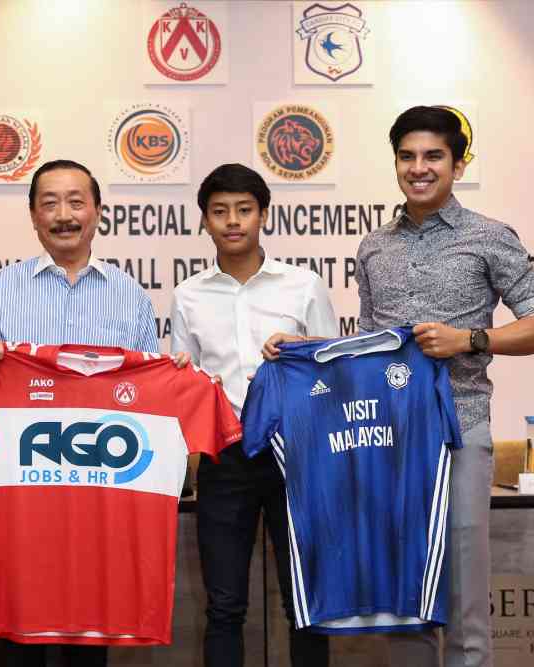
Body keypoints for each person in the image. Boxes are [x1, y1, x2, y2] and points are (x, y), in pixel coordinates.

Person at [265, 105, 534, 666]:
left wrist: (469, 340)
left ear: (457, 163)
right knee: (406, 599)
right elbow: (366, 352)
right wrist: (298, 350)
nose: (418, 168)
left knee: (463, 595)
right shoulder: (375, 247)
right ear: (395, 162)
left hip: (459, 432)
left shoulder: (490, 237)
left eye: (433, 157)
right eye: (407, 156)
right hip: (388, 441)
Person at [0, 159, 170, 667]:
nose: (63, 214)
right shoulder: (3, 287)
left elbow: (147, 392)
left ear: (97, 212)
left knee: (87, 631)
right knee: (19, 628)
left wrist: (168, 375)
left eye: (75, 201)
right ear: (32, 215)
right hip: (17, 484)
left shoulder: (129, 294)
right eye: (49, 203)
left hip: (98, 485)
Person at [170, 163, 337, 667]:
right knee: (224, 606)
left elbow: (334, 368)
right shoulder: (188, 294)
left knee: (306, 604)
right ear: (203, 221)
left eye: (244, 209)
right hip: (225, 458)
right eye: (219, 212)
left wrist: (306, 348)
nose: (233, 221)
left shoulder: (304, 285)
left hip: (298, 455)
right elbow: (185, 386)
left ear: (263, 214)